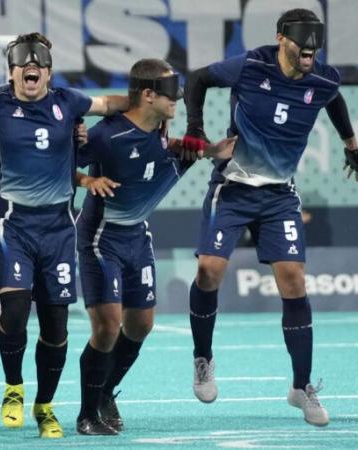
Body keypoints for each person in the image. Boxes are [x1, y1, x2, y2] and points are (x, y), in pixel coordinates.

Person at [181, 8, 358, 427]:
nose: (310, 51)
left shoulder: (322, 78)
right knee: (209, 271)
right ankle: (203, 358)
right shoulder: (251, 65)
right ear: (282, 38)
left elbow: (334, 99)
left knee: (293, 279)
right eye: (303, 42)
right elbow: (196, 79)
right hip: (231, 189)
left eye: (315, 44)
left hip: (279, 195)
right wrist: (196, 127)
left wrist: (351, 146)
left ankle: (301, 387)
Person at [0, 32, 129, 438]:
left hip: (58, 228)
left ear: (48, 71)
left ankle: (45, 406)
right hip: (13, 223)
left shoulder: (69, 102)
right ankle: (14, 387)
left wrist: (150, 100)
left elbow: (111, 104)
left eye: (38, 64)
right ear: (12, 70)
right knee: (13, 313)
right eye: (21, 64)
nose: (30, 69)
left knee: (56, 327)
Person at [75, 58, 235, 435]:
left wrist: (211, 151)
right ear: (147, 95)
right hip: (102, 237)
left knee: (142, 324)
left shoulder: (161, 128)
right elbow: (59, 164)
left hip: (137, 236)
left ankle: (106, 393)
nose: (177, 101)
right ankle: (86, 414)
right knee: (106, 327)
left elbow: (164, 150)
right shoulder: (105, 135)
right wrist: (86, 182)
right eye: (170, 95)